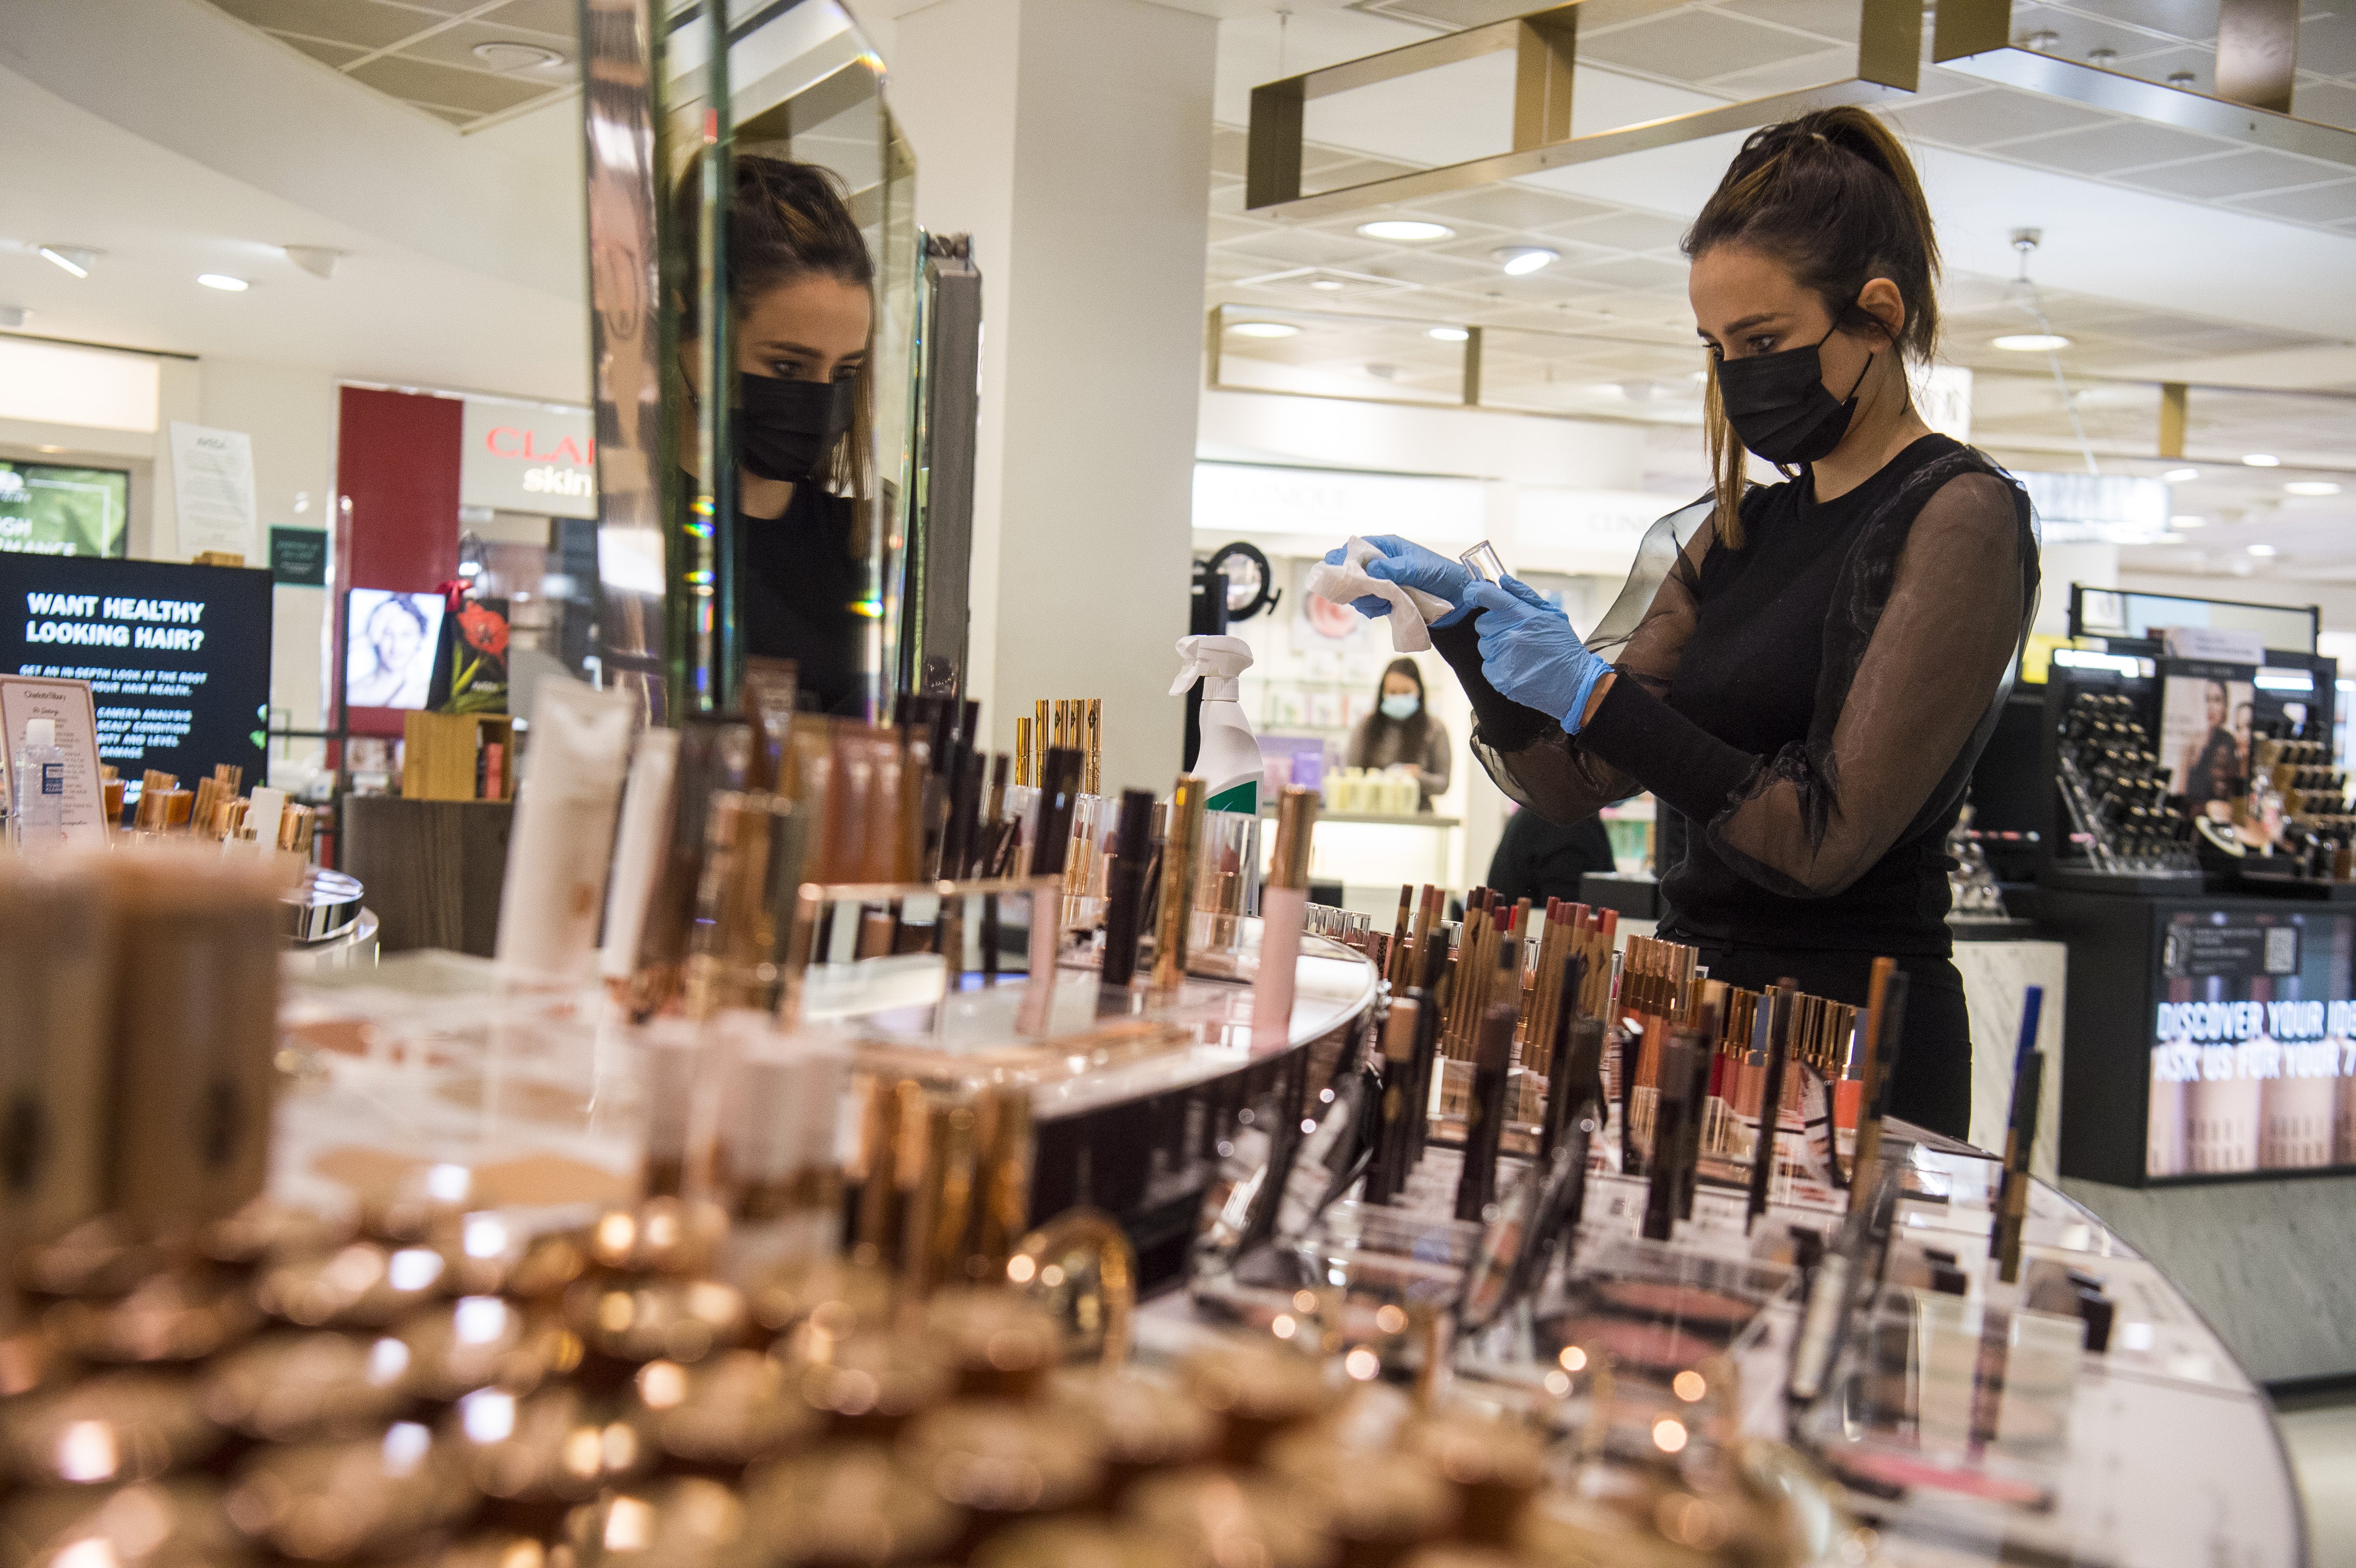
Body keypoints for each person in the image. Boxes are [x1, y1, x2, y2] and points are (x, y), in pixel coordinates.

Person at [1323, 108, 2037, 1141]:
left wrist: (1592, 688)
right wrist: (1468, 635)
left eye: (1765, 342)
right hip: (1694, 1010)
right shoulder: (1734, 528)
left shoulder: (1956, 514)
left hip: (1851, 1034)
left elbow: (1819, 840)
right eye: (1716, 347)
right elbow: (1572, 783)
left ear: (1877, 314)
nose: (1738, 375)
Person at [678, 156, 874, 714]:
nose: (819, 398)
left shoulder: (864, 550)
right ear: (690, 333)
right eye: (788, 368)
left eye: (844, 373)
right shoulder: (637, 538)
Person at [1344, 657, 1451, 810]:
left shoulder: (1434, 729)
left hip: (1418, 814)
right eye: (1393, 692)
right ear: (1383, 693)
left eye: (1406, 692)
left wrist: (1416, 777)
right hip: (1370, 812)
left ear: (1419, 691)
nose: (1399, 697)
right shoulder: (1365, 727)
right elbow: (1349, 773)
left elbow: (1443, 784)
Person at [1486, 804, 1620, 907]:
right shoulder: (1567, 822)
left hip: (1518, 935)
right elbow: (1567, 917)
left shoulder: (1542, 808)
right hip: (1540, 937)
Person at [349, 592, 433, 709]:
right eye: (388, 634)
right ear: (375, 636)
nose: (396, 646)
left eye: (406, 634)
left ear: (421, 638)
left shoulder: (431, 694)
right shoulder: (354, 693)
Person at [2178, 678, 2241, 809]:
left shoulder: (2228, 742)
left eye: (2217, 700)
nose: (2211, 707)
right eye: (2208, 700)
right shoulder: (2195, 741)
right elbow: (2182, 790)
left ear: (2225, 706)